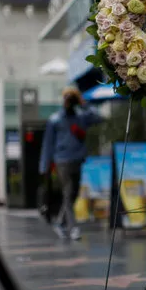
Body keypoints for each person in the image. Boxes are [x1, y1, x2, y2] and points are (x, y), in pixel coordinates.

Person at [39, 86, 103, 240]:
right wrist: (44, 166)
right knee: (68, 192)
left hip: (78, 159)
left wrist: (83, 103)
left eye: (71, 98)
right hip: (62, 161)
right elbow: (48, 143)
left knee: (74, 194)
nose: (69, 101)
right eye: (67, 98)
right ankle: (73, 228)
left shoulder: (81, 117)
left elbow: (99, 117)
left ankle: (60, 222)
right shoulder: (55, 120)